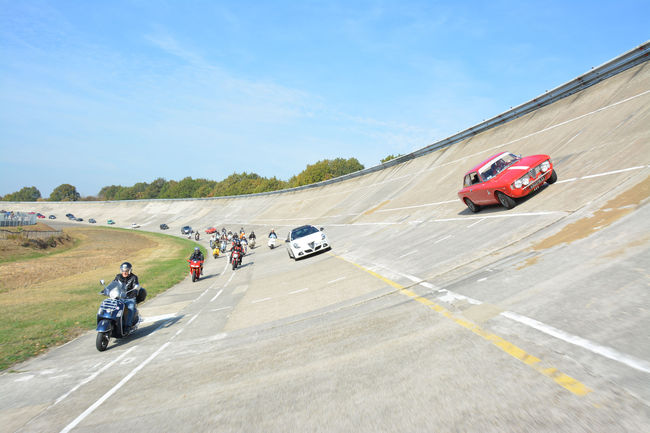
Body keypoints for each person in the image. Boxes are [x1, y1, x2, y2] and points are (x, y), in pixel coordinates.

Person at [112, 262, 140, 330]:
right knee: (111, 306)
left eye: (126, 271)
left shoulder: (134, 277)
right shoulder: (118, 277)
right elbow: (113, 285)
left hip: (129, 298)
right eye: (123, 270)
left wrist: (134, 293)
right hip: (119, 297)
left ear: (130, 270)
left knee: (130, 308)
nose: (124, 272)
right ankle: (112, 322)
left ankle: (128, 325)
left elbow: (136, 287)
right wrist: (107, 290)